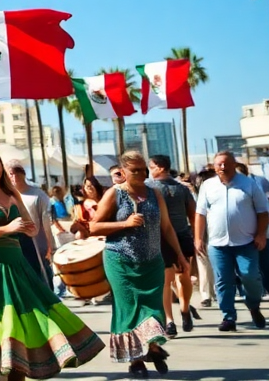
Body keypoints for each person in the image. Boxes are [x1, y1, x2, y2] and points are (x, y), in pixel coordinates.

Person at [0, 145, 103, 380]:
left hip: (16, 265)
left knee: (21, 329)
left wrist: (29, 228)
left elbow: (28, 226)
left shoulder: (10, 192)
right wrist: (7, 228)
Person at [90, 151, 185, 377]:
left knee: (152, 308)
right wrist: (125, 224)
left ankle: (151, 346)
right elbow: (94, 227)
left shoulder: (154, 194)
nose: (142, 174)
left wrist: (179, 255)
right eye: (135, 171)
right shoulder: (115, 194)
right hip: (120, 261)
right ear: (122, 172)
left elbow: (168, 228)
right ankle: (137, 360)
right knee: (129, 311)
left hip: (152, 262)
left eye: (144, 169)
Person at [194, 150, 269, 332]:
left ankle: (253, 305)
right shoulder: (208, 185)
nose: (222, 167)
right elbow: (200, 213)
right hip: (218, 244)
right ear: (213, 166)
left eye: (226, 163)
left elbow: (263, 212)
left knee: (250, 276)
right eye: (218, 164)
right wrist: (197, 238)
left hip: (246, 242)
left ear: (234, 164)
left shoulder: (249, 184)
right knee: (223, 280)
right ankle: (228, 317)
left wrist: (261, 234)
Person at [147, 154, 198, 334]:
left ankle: (184, 309)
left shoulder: (178, 189)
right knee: (166, 280)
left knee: (183, 277)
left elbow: (193, 214)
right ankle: (169, 320)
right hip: (162, 239)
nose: (149, 171)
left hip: (181, 235)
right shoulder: (150, 188)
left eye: (151, 167)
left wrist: (196, 237)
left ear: (160, 168)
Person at [8, 161, 55, 288]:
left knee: (42, 274)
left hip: (37, 243)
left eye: (17, 172)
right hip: (17, 244)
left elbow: (46, 222)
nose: (14, 176)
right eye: (11, 174)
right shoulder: (7, 196)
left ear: (23, 174)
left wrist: (49, 245)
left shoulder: (38, 194)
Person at [236, 162, 269, 303]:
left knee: (266, 264)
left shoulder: (257, 183)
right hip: (241, 236)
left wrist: (262, 231)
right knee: (248, 269)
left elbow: (268, 208)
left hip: (262, 232)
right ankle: (253, 294)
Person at [191, 167, 218, 307]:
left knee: (210, 264)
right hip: (202, 233)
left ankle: (212, 293)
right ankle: (206, 294)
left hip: (216, 232)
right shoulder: (194, 196)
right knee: (204, 264)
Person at [71, 175, 104, 241]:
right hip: (89, 237)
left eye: (92, 185)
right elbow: (75, 227)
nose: (90, 188)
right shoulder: (80, 207)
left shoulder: (105, 201)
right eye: (88, 186)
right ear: (84, 188)